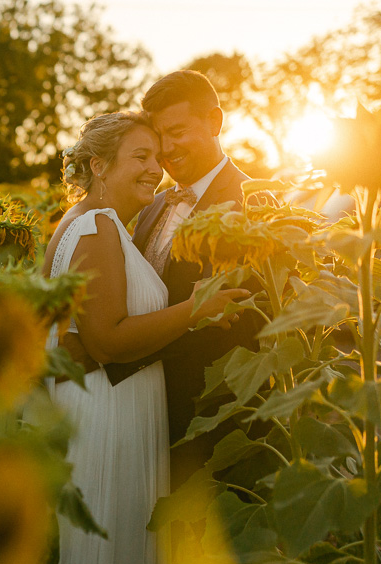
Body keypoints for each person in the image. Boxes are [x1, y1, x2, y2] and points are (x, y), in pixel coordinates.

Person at [19, 110, 246, 564]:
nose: (156, 167)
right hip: (108, 420)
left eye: (156, 155)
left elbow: (68, 334)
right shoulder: (95, 227)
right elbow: (109, 340)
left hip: (104, 408)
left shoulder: (87, 223)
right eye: (139, 157)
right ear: (98, 166)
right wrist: (195, 310)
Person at [70, 70, 263, 492]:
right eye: (159, 136)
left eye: (177, 132)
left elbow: (235, 321)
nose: (167, 150)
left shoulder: (254, 204)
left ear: (214, 122)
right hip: (146, 418)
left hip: (217, 422)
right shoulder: (153, 203)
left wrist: (109, 352)